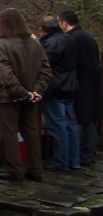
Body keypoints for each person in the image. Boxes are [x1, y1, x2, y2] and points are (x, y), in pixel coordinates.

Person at [0, 8, 52, 182]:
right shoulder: (35, 44)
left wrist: (24, 93)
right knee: (31, 132)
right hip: (30, 96)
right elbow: (46, 70)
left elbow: (5, 74)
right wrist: (35, 91)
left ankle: (15, 170)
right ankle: (35, 169)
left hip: (8, 97)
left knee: (9, 133)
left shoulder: (2, 45)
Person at [59, 10, 102, 167]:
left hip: (81, 83)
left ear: (65, 23)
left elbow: (76, 62)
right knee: (89, 119)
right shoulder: (87, 36)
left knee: (84, 120)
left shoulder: (74, 39)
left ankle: (86, 154)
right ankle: (89, 152)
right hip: (92, 82)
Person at [37, 16, 79, 171]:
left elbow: (44, 64)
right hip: (69, 85)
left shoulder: (52, 43)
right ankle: (74, 160)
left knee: (57, 126)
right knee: (70, 124)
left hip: (55, 88)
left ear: (43, 29)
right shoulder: (67, 39)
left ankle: (61, 162)